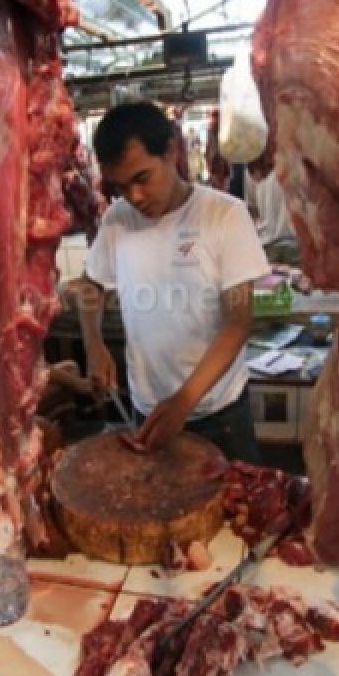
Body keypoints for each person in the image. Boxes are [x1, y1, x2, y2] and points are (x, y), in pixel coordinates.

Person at [71, 101, 269, 462]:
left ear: (171, 151)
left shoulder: (224, 215)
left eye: (142, 178)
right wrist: (94, 343)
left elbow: (238, 323)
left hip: (217, 416)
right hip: (147, 413)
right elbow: (90, 287)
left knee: (240, 513)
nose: (135, 197)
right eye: (121, 187)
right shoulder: (117, 219)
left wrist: (184, 401)